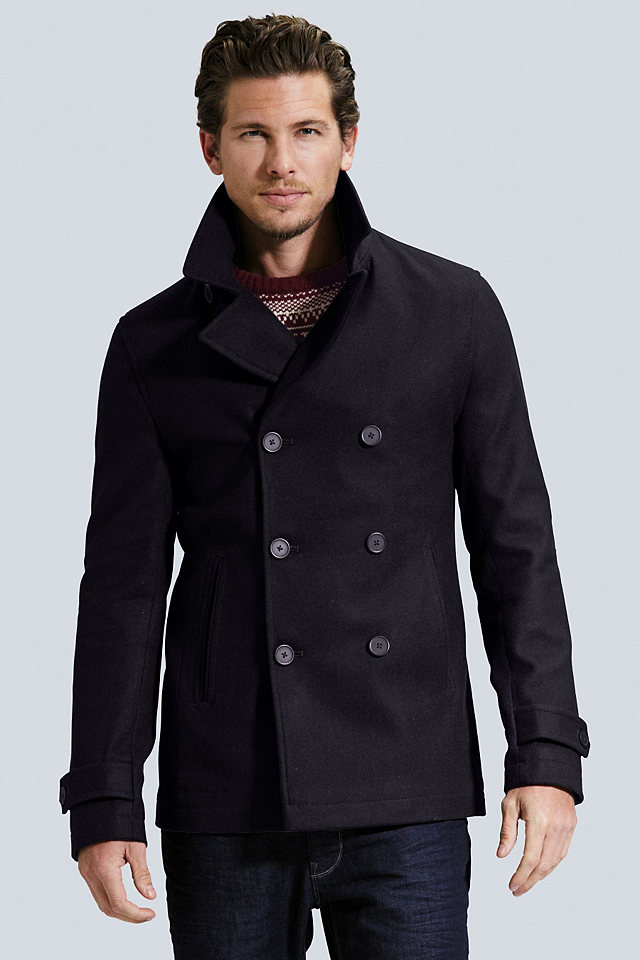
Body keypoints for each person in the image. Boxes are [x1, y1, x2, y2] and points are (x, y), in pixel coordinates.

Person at [58, 13, 591, 959]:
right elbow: (122, 590)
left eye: (306, 131)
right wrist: (103, 798)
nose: (281, 162)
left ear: (348, 140)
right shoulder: (152, 345)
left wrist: (545, 751)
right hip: (229, 787)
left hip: (408, 779)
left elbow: (515, 546)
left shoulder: (452, 310)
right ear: (210, 148)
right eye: (253, 133)